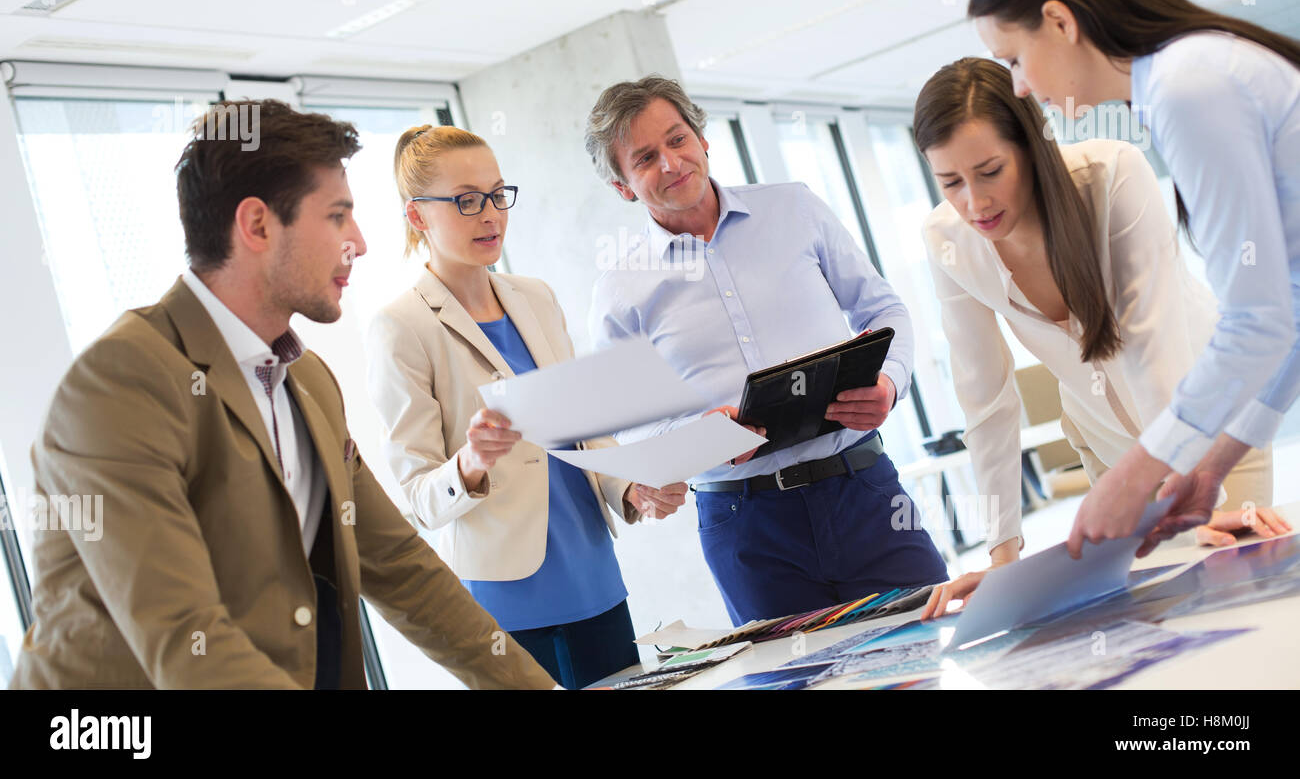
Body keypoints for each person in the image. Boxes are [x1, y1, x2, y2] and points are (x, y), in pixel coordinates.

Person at [9, 100, 553, 689]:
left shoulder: (308, 381)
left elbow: (404, 572)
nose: (362, 243)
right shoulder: (121, 385)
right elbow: (186, 640)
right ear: (258, 225)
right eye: (338, 217)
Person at [906, 59, 1289, 619]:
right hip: (1106, 442)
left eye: (990, 171)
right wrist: (1004, 556)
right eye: (951, 182)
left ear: (1032, 146)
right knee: (1156, 615)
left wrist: (1187, 499)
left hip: (1209, 430)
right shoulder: (946, 239)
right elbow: (984, 397)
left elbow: (1155, 346)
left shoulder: (1112, 174)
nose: (975, 203)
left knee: (1240, 599)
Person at [967, 0, 1300, 558]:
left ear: (1060, 22)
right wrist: (1212, 463)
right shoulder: (1189, 69)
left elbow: (1258, 319)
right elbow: (1290, 303)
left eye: (1014, 57)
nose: (1020, 86)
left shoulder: (1186, 85)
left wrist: (1137, 472)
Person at [584, 75, 948, 626]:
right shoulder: (619, 289)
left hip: (864, 491)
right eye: (645, 157)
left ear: (703, 140)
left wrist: (890, 384)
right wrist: (693, 440)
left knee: (936, 643)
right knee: (797, 682)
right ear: (623, 187)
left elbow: (883, 310)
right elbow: (627, 426)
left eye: (678, 139)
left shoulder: (796, 208)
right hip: (745, 525)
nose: (671, 163)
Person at [366, 125, 685, 689]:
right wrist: (469, 462)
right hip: (507, 598)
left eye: (496, 194)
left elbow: (586, 432)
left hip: (592, 572)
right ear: (418, 216)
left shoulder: (535, 297)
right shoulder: (402, 327)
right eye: (466, 201)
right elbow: (417, 497)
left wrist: (629, 487)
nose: (490, 215)